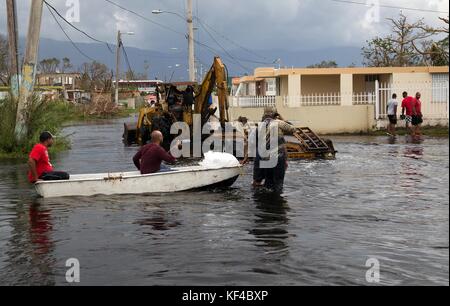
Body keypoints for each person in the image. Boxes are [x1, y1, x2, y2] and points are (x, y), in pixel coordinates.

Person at [253, 107, 297, 193]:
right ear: (275, 115)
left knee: (268, 184)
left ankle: (267, 203)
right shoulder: (278, 123)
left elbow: (258, 146)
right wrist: (281, 118)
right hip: (278, 157)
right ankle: (277, 202)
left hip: (265, 158)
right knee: (278, 183)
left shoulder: (259, 126)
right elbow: (293, 129)